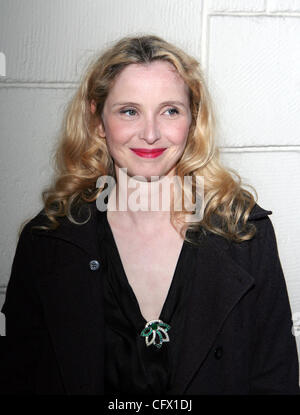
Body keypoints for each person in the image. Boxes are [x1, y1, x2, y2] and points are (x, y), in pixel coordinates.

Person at [0, 34, 299, 395]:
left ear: (192, 120)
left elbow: (275, 380)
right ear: (98, 122)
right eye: (129, 111)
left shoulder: (246, 234)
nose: (151, 134)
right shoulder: (47, 241)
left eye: (170, 110)